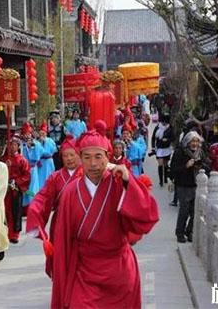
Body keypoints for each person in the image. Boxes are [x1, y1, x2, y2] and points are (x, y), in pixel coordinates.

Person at [51, 130, 159, 308]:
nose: (93, 164)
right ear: (80, 159)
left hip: (119, 271)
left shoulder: (118, 184)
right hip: (84, 271)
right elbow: (63, 241)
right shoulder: (71, 193)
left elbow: (147, 217)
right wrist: (62, 279)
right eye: (86, 157)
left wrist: (127, 181)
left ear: (107, 157)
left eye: (98, 156)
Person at [26, 135, 82, 277]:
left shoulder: (86, 174)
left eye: (72, 155)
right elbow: (43, 197)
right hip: (60, 223)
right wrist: (34, 208)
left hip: (82, 221)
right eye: (65, 156)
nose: (69, 159)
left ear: (78, 155)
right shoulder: (55, 177)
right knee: (61, 257)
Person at [171, 131, 208, 243]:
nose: (195, 143)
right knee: (184, 210)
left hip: (196, 185)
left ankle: (189, 231)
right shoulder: (180, 152)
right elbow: (173, 169)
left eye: (197, 141)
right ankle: (180, 233)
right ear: (187, 141)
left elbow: (207, 165)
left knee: (195, 211)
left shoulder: (200, 153)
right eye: (192, 141)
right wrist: (186, 166)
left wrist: (201, 165)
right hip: (183, 185)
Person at [2, 135, 31, 243]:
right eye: (10, 144)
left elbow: (27, 175)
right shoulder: (3, 159)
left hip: (15, 189)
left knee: (16, 211)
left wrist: (17, 182)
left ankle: (14, 234)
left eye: (14, 144)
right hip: (5, 189)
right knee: (5, 211)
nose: (12, 147)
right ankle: (4, 233)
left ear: (18, 146)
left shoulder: (22, 160)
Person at [20, 122, 43, 213]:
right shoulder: (21, 144)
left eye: (29, 133)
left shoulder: (36, 144)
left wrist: (33, 147)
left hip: (33, 169)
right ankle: (24, 206)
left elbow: (37, 156)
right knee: (25, 188)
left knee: (33, 188)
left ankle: (32, 206)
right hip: (24, 170)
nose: (27, 135)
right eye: (25, 134)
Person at [152, 114, 174, 186]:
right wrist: (153, 147)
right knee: (160, 164)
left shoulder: (170, 128)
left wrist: (167, 140)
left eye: (165, 122)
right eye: (163, 122)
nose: (164, 123)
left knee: (165, 164)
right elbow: (153, 137)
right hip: (159, 148)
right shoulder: (157, 127)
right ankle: (161, 180)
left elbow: (173, 138)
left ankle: (165, 178)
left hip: (167, 148)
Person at [38, 121, 57, 189]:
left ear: (46, 133)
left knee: (49, 178)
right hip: (40, 162)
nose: (42, 134)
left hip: (48, 162)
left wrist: (44, 142)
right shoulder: (37, 141)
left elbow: (51, 151)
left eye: (43, 133)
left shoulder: (50, 141)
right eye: (40, 133)